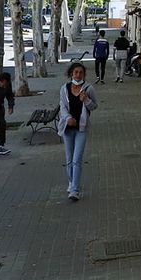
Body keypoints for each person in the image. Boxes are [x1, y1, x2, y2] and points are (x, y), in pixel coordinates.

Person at [56, 61, 97, 201]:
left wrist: (86, 100)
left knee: (76, 159)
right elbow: (62, 107)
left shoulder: (89, 88)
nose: (78, 75)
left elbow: (94, 107)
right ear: (71, 74)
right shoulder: (64, 89)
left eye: (80, 72)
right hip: (68, 128)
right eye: (75, 72)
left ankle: (74, 190)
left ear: (84, 74)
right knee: (69, 159)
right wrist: (67, 118)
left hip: (81, 128)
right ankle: (71, 182)